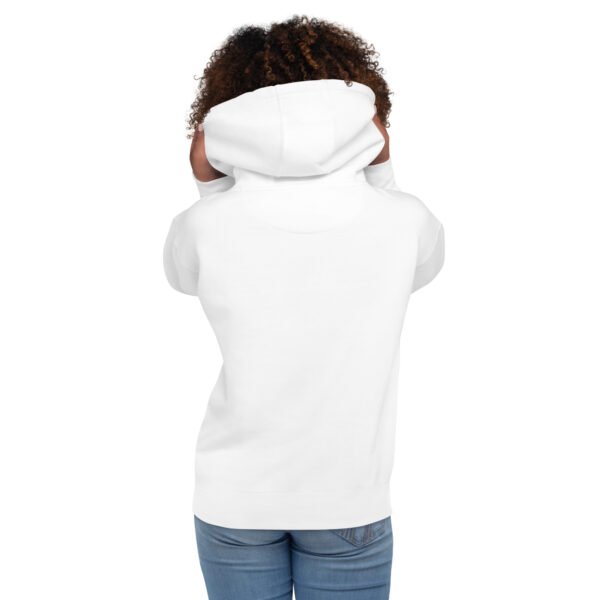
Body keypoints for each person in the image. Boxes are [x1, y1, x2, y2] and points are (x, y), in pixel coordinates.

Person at [163, 15, 445, 600]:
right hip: (347, 500)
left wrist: (212, 189)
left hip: (234, 499)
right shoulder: (402, 219)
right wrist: (382, 174)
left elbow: (184, 277)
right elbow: (423, 267)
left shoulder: (202, 225)